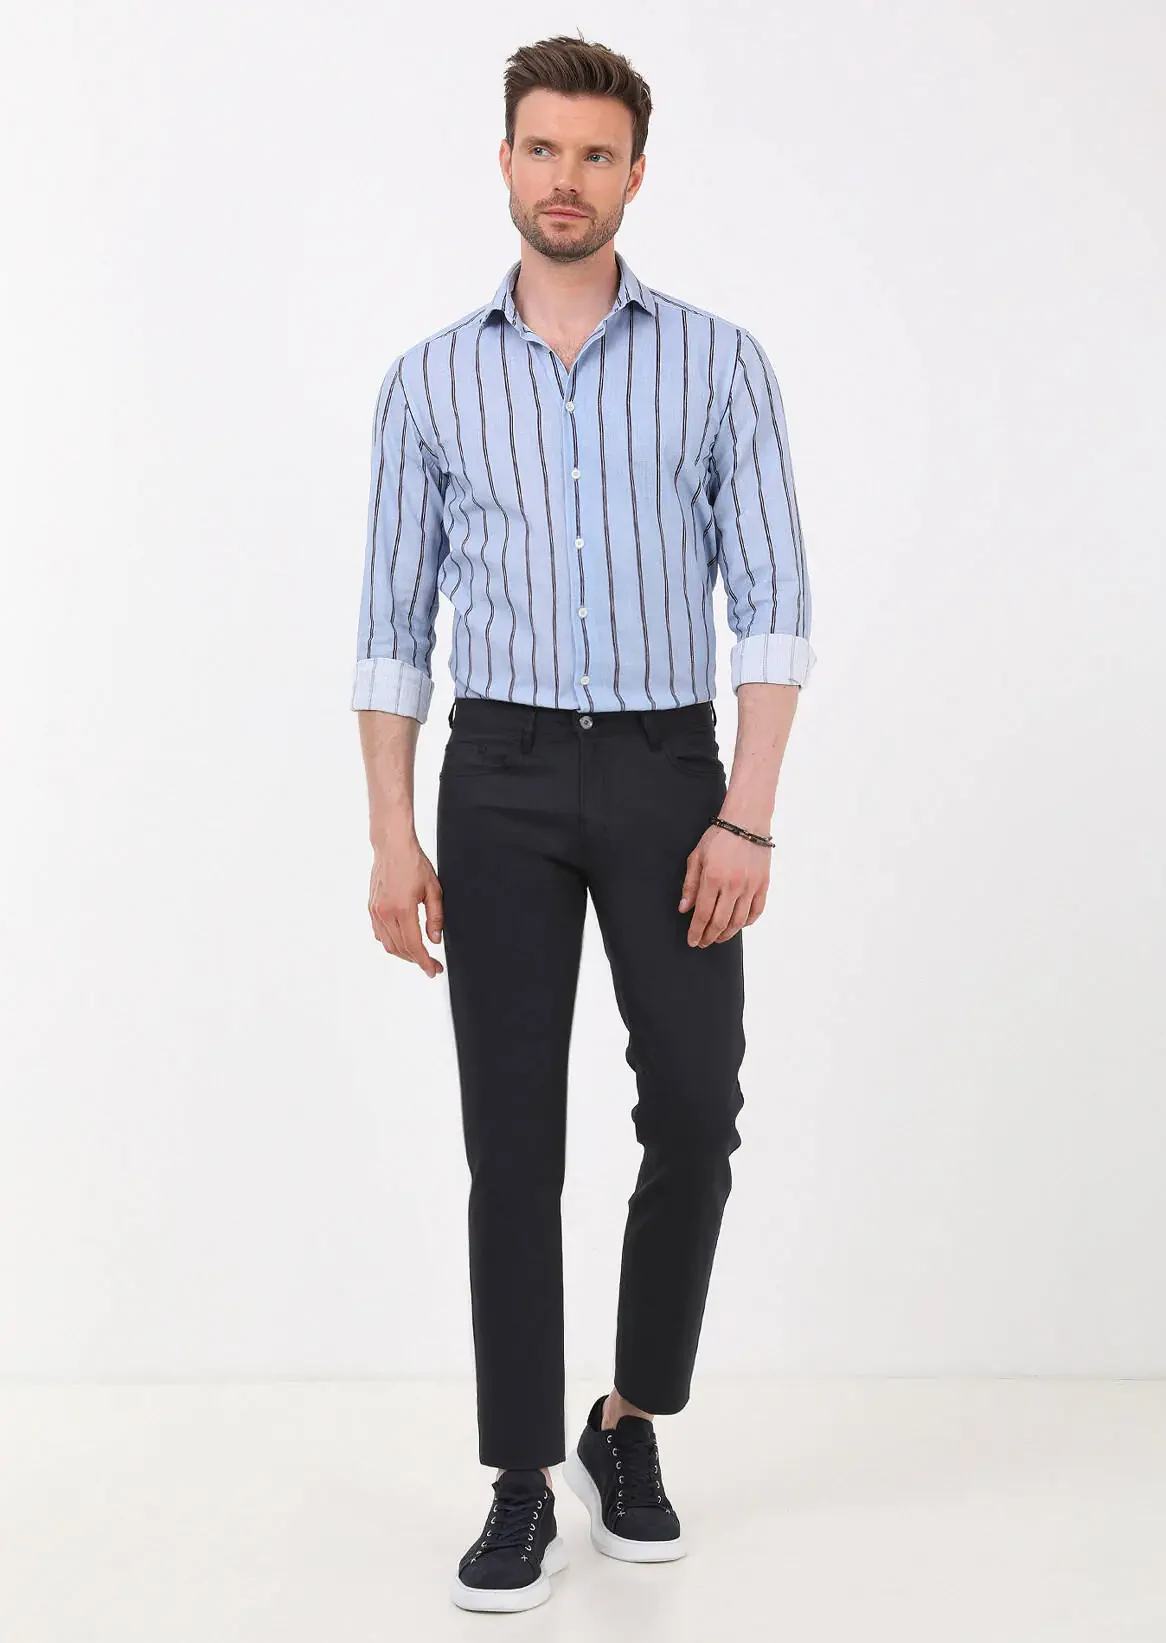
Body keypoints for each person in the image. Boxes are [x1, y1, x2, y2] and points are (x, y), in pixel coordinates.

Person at [351, 32, 816, 1616]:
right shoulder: (430, 379)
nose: (566, 178)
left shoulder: (718, 364)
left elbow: (772, 605)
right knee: (511, 1139)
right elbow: (388, 627)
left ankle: (626, 1418)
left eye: (595, 154)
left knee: (692, 1106)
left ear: (635, 173)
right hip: (496, 776)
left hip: (671, 776)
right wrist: (390, 834)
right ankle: (515, 1476)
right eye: (542, 150)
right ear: (505, 162)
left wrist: (747, 816)